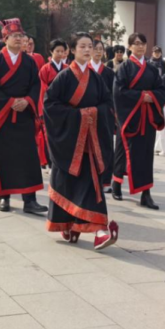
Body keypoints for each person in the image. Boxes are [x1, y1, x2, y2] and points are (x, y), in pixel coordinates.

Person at [44, 32, 119, 250]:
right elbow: (50, 106)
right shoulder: (64, 77)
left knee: (92, 186)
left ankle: (99, 230)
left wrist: (93, 114)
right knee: (66, 183)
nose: (87, 50)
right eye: (82, 46)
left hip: (91, 143)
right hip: (69, 143)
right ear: (72, 50)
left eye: (90, 46)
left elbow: (108, 105)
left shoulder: (96, 78)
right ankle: (68, 224)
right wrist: (79, 116)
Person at [0, 18, 46, 215]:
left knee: (28, 158)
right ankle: (4, 197)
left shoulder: (30, 62)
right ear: (5, 39)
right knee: (3, 158)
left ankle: (30, 200)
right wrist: (9, 102)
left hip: (24, 116)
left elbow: (36, 85)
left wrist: (27, 100)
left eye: (20, 36)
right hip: (2, 117)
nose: (18, 39)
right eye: (14, 36)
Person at [111, 32, 165, 209]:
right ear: (129, 47)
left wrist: (152, 96)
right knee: (123, 151)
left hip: (147, 118)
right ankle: (117, 183)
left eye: (143, 43)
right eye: (136, 43)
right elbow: (119, 92)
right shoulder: (124, 68)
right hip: (129, 117)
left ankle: (146, 193)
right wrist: (141, 97)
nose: (140, 46)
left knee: (146, 155)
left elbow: (161, 90)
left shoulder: (152, 69)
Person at [36, 39, 69, 169]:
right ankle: (51, 162)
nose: (60, 54)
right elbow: (42, 90)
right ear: (51, 52)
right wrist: (42, 110)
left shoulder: (67, 68)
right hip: (49, 105)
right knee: (49, 135)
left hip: (64, 105)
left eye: (62, 51)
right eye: (57, 51)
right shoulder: (45, 69)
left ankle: (62, 160)